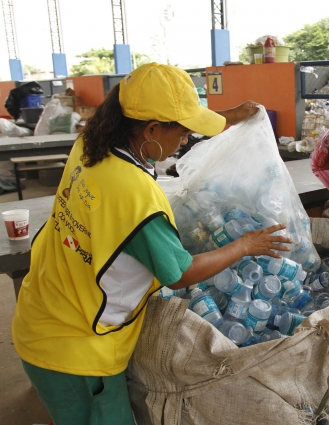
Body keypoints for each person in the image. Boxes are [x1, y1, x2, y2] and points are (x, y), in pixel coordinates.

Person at [12, 63, 292, 424]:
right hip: (77, 349)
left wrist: (233, 117)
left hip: (42, 311)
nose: (188, 139)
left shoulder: (91, 143)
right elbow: (180, 273)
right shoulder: (136, 196)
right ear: (152, 129)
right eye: (185, 131)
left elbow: (173, 126)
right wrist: (244, 245)